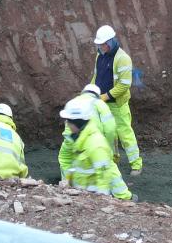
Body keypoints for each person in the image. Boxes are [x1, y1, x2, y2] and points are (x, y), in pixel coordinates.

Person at [90, 25, 142, 176]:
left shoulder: (122, 58)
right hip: (103, 105)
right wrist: (90, 91)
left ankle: (136, 164)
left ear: (111, 41)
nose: (101, 46)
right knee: (108, 133)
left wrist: (105, 96)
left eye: (103, 44)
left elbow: (125, 85)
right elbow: (96, 77)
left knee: (125, 134)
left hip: (117, 105)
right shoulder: (100, 56)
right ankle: (113, 160)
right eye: (99, 44)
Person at [59, 97, 136, 201]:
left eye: (69, 121)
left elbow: (104, 179)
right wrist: (68, 184)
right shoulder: (73, 139)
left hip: (92, 199)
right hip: (80, 196)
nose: (66, 124)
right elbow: (66, 161)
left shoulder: (96, 144)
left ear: (77, 122)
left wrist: (100, 203)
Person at [58, 84, 118, 181]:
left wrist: (69, 139)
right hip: (95, 139)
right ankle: (122, 195)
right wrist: (108, 147)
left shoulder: (73, 102)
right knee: (107, 164)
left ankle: (67, 186)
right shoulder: (100, 103)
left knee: (66, 159)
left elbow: (69, 123)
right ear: (97, 94)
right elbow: (110, 128)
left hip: (72, 137)